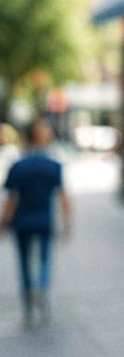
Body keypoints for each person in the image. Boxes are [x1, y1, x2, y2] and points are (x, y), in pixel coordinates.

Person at [1, 117, 71, 325]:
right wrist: (67, 224)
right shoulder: (53, 165)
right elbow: (63, 198)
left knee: (23, 262)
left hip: (21, 222)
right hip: (44, 220)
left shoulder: (18, 166)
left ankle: (28, 297)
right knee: (43, 259)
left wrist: (3, 224)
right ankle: (41, 286)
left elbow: (11, 200)